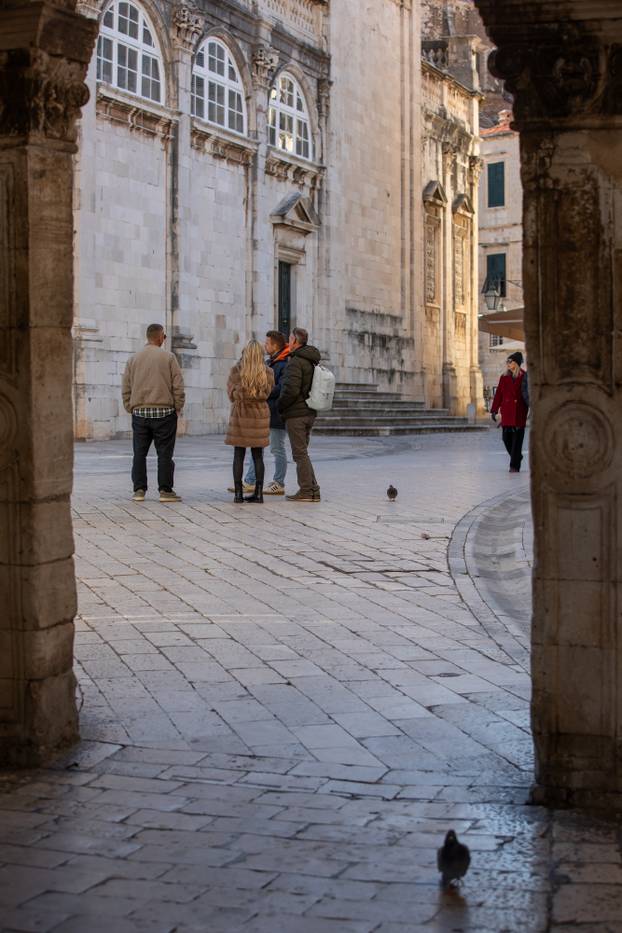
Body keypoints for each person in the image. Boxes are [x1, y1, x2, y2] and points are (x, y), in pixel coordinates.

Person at [122, 323, 185, 502]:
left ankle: (139, 490)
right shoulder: (169, 357)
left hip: (140, 413)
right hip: (164, 413)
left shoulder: (133, 359)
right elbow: (178, 384)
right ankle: (165, 491)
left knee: (139, 453)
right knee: (164, 453)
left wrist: (130, 406)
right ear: (159, 337)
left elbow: (126, 385)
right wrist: (178, 406)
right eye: (164, 337)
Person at [241, 331, 291, 496]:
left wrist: (262, 391)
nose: (265, 346)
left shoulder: (284, 363)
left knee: (277, 448)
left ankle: (279, 482)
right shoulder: (272, 362)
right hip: (266, 412)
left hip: (277, 412)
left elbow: (281, 388)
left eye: (267, 343)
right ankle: (249, 481)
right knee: (257, 446)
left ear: (275, 345)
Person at [225, 339, 275, 503]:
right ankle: (259, 493)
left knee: (238, 454)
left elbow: (231, 394)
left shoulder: (236, 371)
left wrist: (240, 394)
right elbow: (268, 393)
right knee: (258, 455)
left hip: (241, 414)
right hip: (259, 415)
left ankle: (238, 494)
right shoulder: (268, 372)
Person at [277, 327, 321, 502]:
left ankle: (306, 490)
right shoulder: (310, 360)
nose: (288, 343)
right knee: (303, 453)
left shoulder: (296, 361)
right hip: (309, 411)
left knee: (299, 454)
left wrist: (280, 406)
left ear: (295, 341)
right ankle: (313, 490)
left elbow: (290, 390)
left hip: (297, 413)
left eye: (290, 339)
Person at [490, 351, 529, 473]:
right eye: (507, 361)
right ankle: (516, 456)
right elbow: (499, 395)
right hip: (507, 411)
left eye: (510, 361)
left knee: (517, 441)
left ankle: (514, 466)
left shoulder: (524, 376)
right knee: (506, 439)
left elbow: (528, 393)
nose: (507, 363)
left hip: (519, 411)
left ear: (516, 363)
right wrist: (494, 410)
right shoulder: (504, 377)